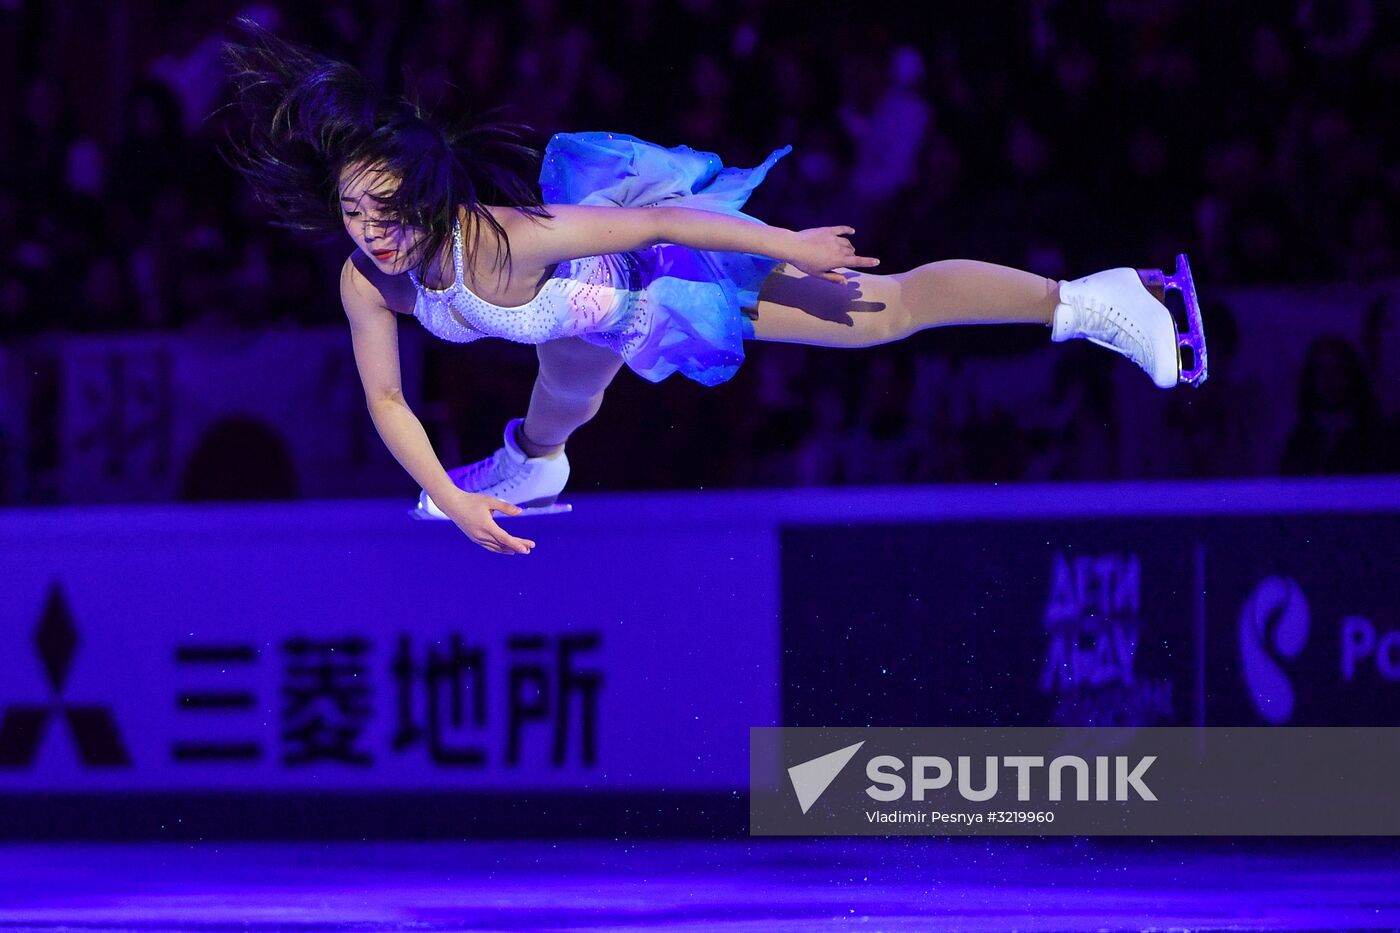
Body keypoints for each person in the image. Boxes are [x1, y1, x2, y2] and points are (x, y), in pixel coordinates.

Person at [222, 22, 1207, 557]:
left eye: (388, 213)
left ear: (430, 196)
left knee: (888, 310)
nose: (373, 235)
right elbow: (388, 400)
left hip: (658, 286)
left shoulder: (508, 241)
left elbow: (653, 224)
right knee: (566, 380)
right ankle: (533, 461)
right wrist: (445, 494)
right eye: (355, 215)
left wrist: (785, 240)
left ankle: (1093, 299)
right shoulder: (365, 281)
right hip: (581, 340)